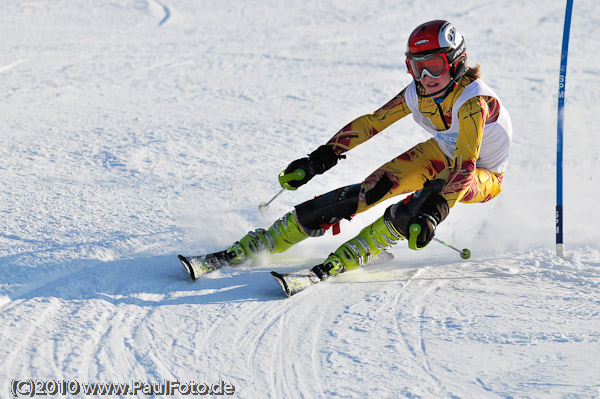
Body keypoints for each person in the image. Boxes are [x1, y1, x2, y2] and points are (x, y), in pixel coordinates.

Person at [219, 20, 512, 278]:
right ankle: (270, 240)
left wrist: (434, 212)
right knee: (369, 190)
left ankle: (358, 251)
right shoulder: (419, 93)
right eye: (416, 67)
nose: (425, 78)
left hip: (482, 175)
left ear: (456, 61)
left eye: (433, 66)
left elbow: (464, 168)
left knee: (425, 199)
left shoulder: (474, 102)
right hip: (440, 154)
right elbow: (373, 123)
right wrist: (319, 159)